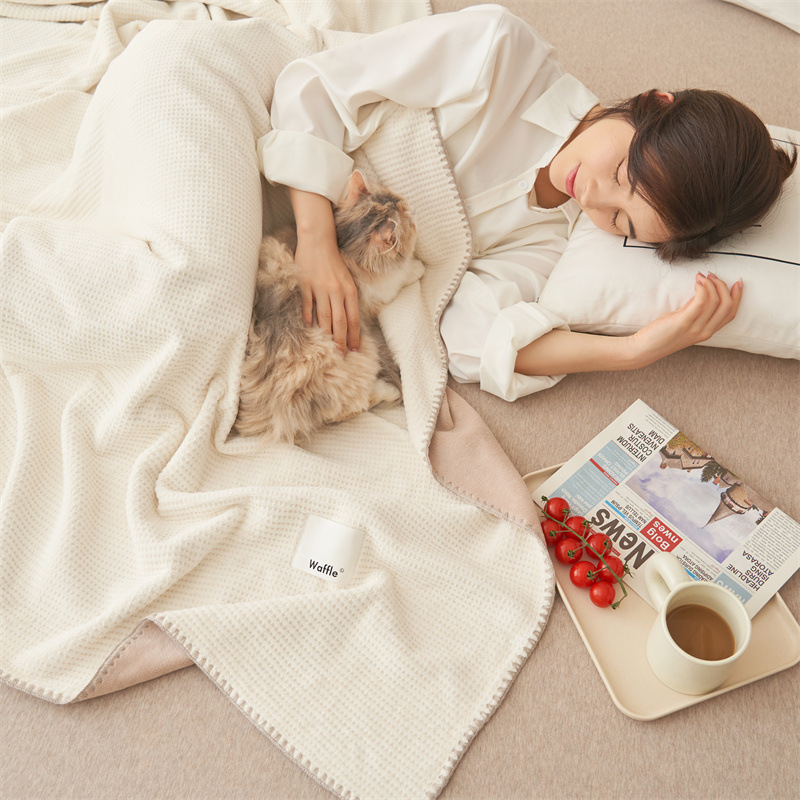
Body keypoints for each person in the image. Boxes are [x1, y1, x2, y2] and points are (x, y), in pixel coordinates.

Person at [258, 4, 796, 401]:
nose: (592, 195)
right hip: (264, 134)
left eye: (620, 220)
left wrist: (634, 352)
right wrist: (316, 241)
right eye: (622, 173)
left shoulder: (553, 243)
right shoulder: (501, 52)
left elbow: (471, 341)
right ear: (653, 103)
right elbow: (312, 86)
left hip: (281, 283)